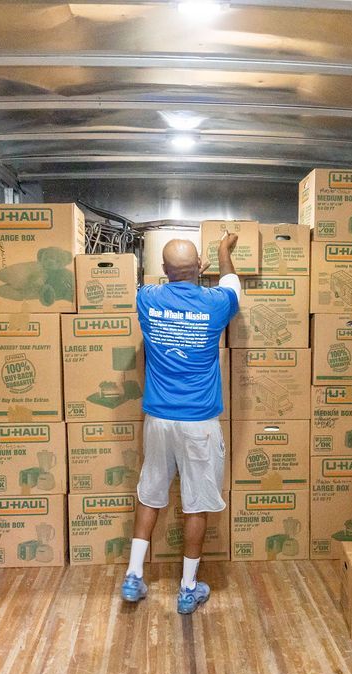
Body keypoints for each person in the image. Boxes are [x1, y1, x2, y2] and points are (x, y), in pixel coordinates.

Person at [120, 232, 240, 614]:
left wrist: (181, 275)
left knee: (150, 493)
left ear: (164, 271)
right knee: (196, 505)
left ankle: (134, 576)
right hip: (199, 423)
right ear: (199, 268)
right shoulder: (216, 304)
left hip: (157, 419)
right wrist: (223, 251)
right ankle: (188, 588)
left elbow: (166, 285)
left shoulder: (147, 299)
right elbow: (232, 284)